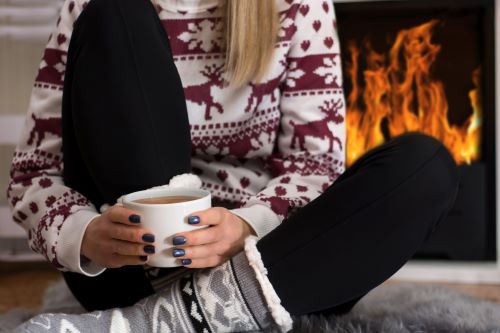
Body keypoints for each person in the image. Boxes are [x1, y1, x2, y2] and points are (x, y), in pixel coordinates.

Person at [7, 0, 459, 331]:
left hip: (273, 260)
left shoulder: (298, 7)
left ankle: (159, 322)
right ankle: (198, 313)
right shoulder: (89, 8)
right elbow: (34, 173)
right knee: (113, 13)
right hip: (133, 264)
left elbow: (315, 167)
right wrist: (85, 234)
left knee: (427, 169)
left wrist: (245, 227)